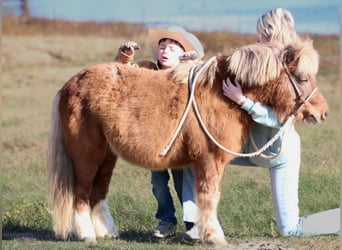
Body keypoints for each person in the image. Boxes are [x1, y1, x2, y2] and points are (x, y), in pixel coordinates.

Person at [222, 7, 339, 236]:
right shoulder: (262, 62)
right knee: (199, 157)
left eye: (263, 34)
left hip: (281, 155)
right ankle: (199, 225)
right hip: (253, 148)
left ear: (274, 33)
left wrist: (242, 101)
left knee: (290, 230)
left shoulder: (294, 68)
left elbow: (281, 119)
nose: (257, 39)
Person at [114, 26, 204, 239]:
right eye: (162, 47)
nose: (164, 51)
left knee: (185, 183)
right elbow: (120, 74)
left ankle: (193, 223)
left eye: (172, 49)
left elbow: (204, 76)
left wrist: (190, 63)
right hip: (153, 139)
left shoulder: (188, 73)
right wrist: (124, 56)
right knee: (158, 182)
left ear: (183, 54)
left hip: (181, 139)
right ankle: (166, 220)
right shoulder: (147, 69)